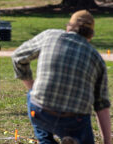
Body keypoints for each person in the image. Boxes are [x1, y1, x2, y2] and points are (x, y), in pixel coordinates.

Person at [11, 10, 111, 144]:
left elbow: (18, 57)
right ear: (90, 34)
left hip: (41, 111)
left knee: (33, 98)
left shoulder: (49, 36)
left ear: (69, 26)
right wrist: (107, 141)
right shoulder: (96, 58)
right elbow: (102, 106)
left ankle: (47, 141)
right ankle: (73, 138)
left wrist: (31, 87)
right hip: (75, 120)